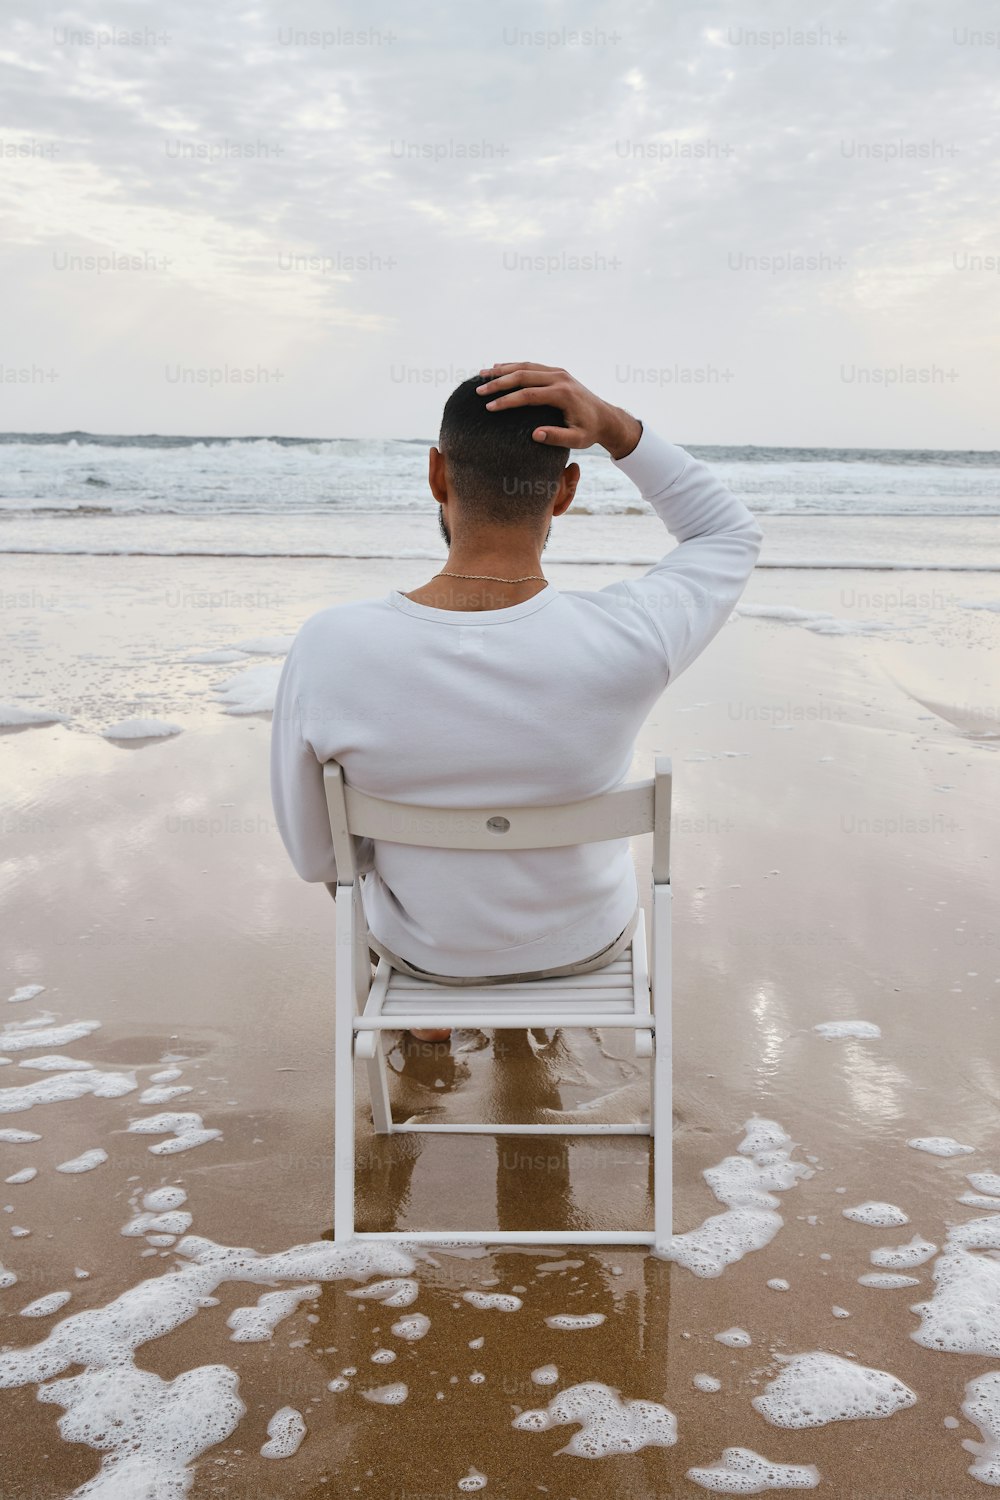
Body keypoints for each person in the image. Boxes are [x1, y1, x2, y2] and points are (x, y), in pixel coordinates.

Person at [270, 361, 763, 1042]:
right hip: (584, 946)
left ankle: (430, 1017)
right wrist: (618, 429)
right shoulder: (632, 636)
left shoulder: (331, 646)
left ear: (438, 475)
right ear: (564, 491)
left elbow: (316, 857)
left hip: (425, 955)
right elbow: (728, 533)